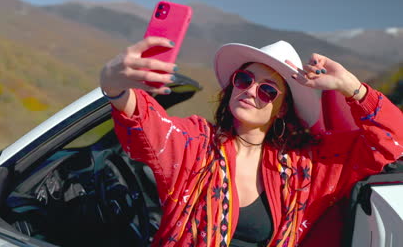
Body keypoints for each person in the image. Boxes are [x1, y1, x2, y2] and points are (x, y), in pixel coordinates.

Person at [99, 37, 403, 247]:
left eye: (267, 90)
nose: (250, 91)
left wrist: (351, 87)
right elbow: (145, 123)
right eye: (244, 80)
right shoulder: (196, 142)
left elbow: (392, 141)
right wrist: (114, 85)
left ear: (282, 108)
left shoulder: (307, 168)